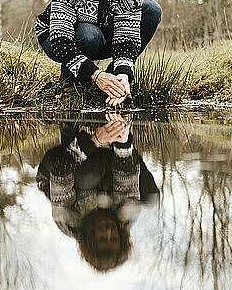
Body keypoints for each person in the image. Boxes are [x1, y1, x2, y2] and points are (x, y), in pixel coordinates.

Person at [35, 0, 162, 106]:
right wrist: (96, 75)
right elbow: (60, 40)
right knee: (89, 35)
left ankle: (112, 78)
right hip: (56, 40)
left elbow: (127, 39)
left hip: (102, 37)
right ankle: (70, 83)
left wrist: (122, 75)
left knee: (151, 9)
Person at [36, 115, 159, 272]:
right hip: (106, 168)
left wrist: (94, 141)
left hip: (57, 168)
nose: (108, 231)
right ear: (121, 237)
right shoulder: (127, 216)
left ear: (90, 241)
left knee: (89, 176)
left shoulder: (68, 222)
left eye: (102, 239)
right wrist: (122, 139)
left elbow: (61, 171)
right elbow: (127, 172)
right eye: (113, 238)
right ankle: (115, 125)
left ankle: (69, 125)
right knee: (150, 197)